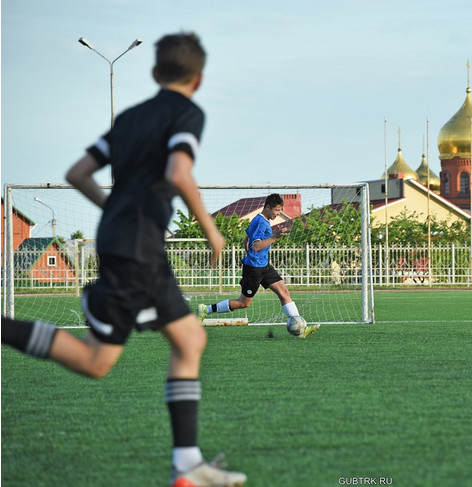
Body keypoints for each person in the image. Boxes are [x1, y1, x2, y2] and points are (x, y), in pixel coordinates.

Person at [1, 32, 246, 487]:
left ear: (155, 73)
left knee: (168, 345)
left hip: (122, 239)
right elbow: (178, 171)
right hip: (137, 248)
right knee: (138, 352)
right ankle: (187, 467)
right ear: (199, 79)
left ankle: (188, 466)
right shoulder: (187, 112)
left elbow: (77, 173)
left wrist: (111, 208)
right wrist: (211, 229)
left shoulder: (131, 117)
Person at [198, 193, 319, 338]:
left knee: (284, 292)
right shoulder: (261, 222)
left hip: (264, 266)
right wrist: (274, 237)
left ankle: (300, 326)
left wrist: (252, 252)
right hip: (254, 269)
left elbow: (246, 240)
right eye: (276, 210)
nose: (278, 214)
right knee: (243, 303)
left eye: (280, 211)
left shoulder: (259, 220)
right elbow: (255, 246)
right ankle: (206, 309)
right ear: (267, 207)